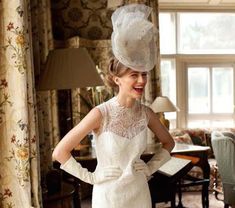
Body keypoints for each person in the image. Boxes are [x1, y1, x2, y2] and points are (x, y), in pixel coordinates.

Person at [52, 4, 175, 208]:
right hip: (109, 197)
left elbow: (169, 143)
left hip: (140, 195)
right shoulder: (100, 113)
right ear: (117, 79)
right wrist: (91, 177)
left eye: (143, 74)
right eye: (133, 75)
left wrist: (151, 167)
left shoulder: (147, 113)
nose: (141, 81)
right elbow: (60, 152)